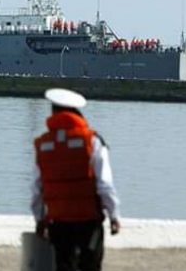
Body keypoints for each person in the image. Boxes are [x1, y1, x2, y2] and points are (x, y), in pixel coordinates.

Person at [31, 88, 121, 271]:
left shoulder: (43, 144)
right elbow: (105, 184)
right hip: (88, 221)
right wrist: (114, 215)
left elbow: (37, 188)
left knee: (63, 266)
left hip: (58, 222)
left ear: (53, 111)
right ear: (77, 112)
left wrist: (40, 220)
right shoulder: (92, 142)